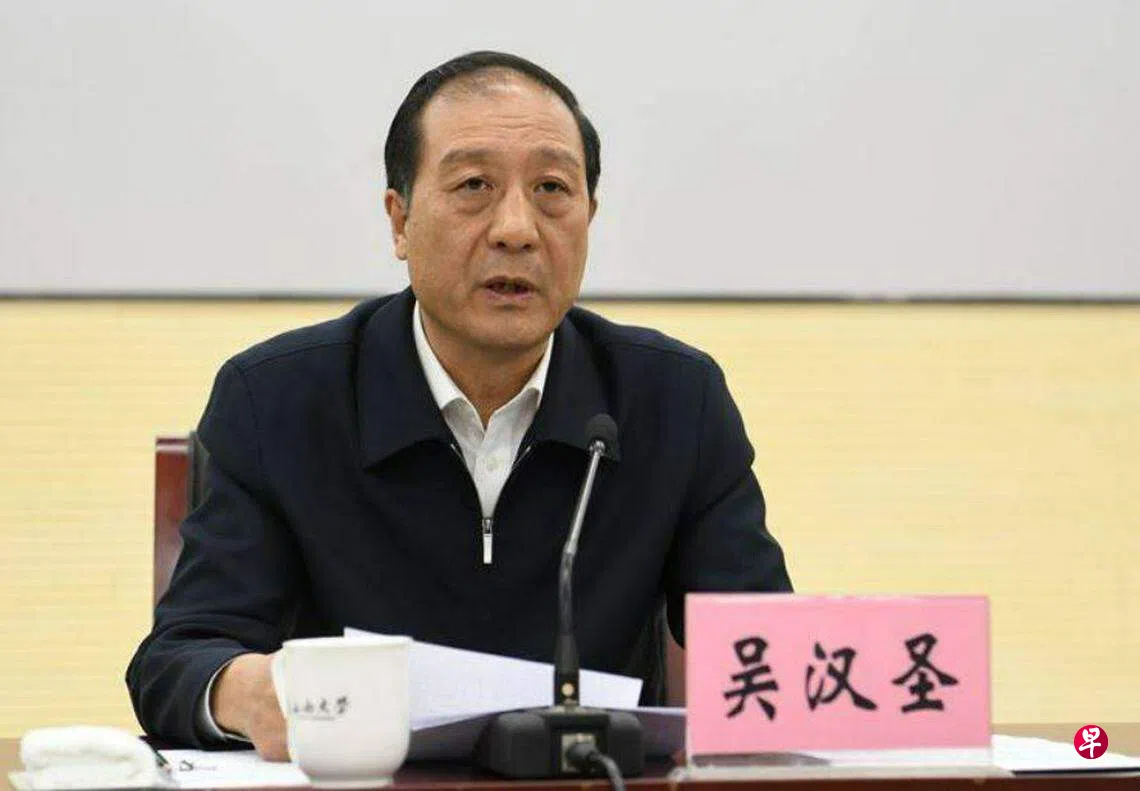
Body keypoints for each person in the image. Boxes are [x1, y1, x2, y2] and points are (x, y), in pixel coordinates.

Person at [126, 51, 792, 760]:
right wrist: (251, 692)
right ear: (400, 220)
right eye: (474, 185)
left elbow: (768, 659)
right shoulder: (278, 400)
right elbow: (179, 659)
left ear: (589, 218)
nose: (517, 228)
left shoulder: (674, 401)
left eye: (552, 189)